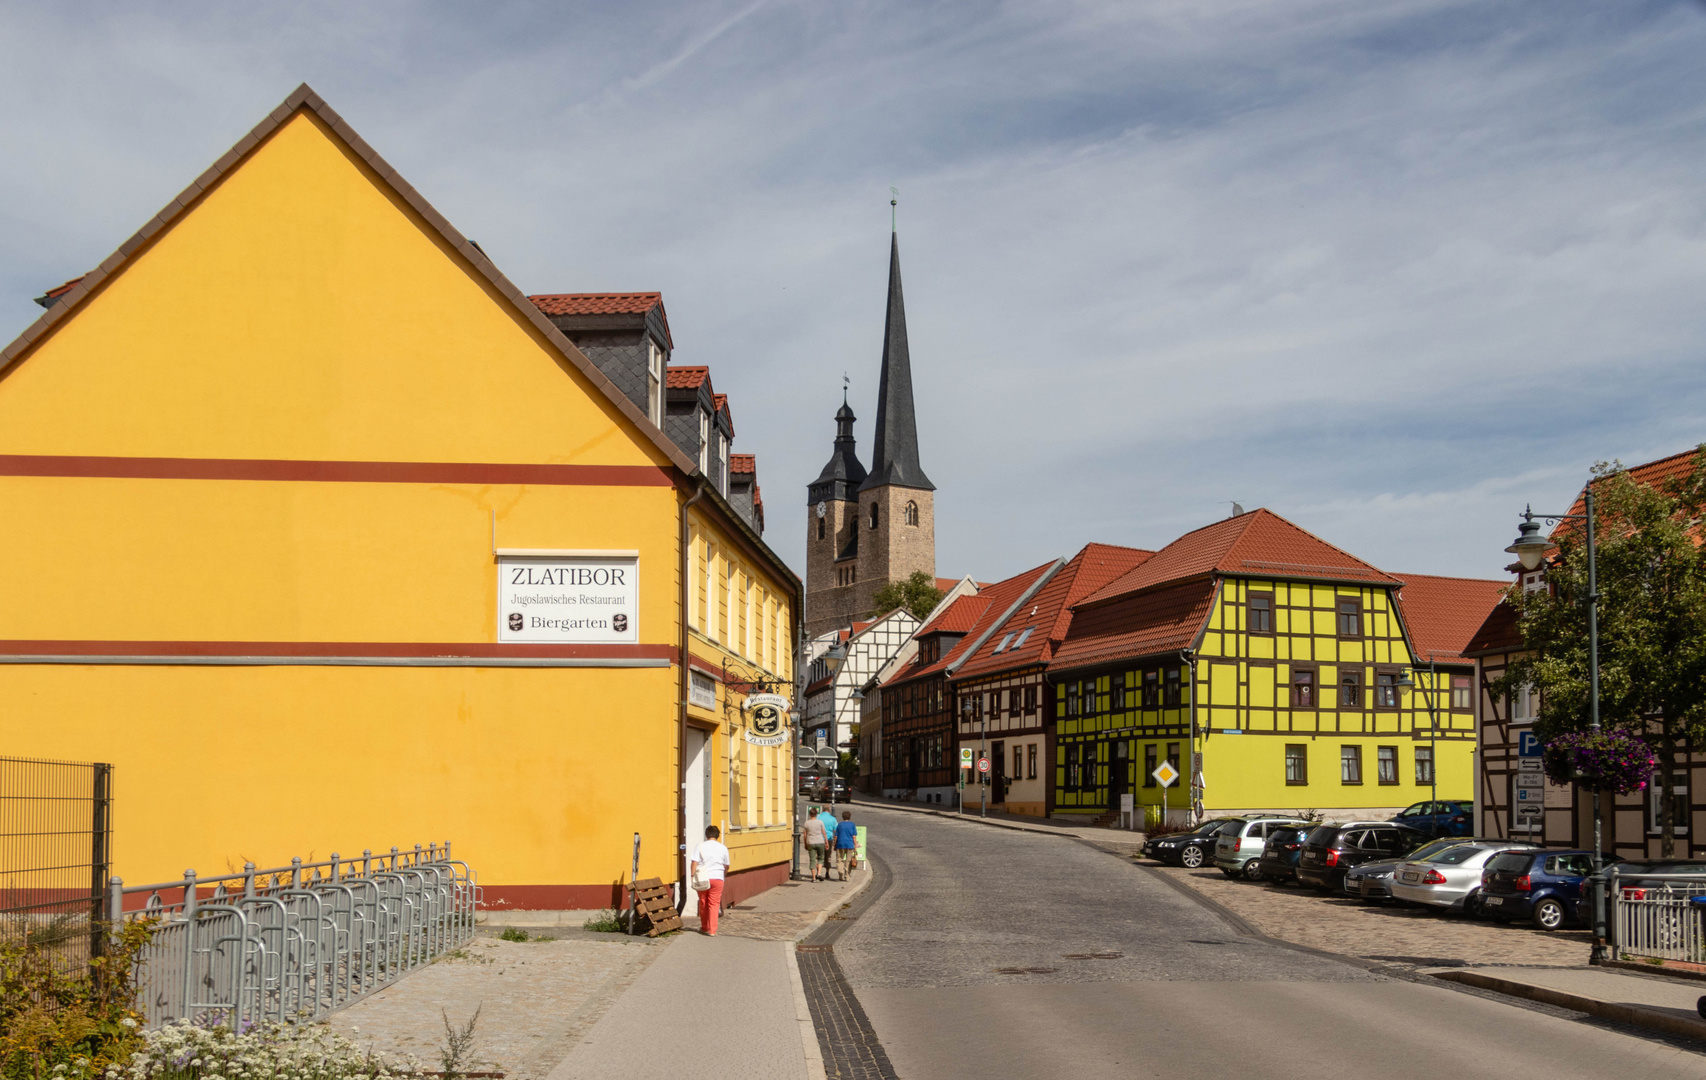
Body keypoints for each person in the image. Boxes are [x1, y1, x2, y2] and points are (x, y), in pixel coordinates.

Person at [690, 825, 731, 935]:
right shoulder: (723, 847)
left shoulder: (700, 846)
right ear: (717, 835)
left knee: (703, 902)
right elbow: (726, 865)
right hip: (718, 878)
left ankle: (704, 927)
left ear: (706, 835)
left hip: (703, 877)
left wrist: (692, 875)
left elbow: (694, 862)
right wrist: (723, 874)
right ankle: (712, 930)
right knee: (714, 904)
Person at [802, 806, 828, 882]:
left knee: (812, 860)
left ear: (810, 814)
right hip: (820, 841)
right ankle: (819, 873)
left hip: (811, 842)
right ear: (816, 814)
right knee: (820, 858)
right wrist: (826, 842)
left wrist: (805, 844)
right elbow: (824, 833)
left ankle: (813, 878)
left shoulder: (807, 823)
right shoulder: (820, 822)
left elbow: (804, 835)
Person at [834, 811, 858, 881]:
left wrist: (835, 845)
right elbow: (854, 837)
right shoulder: (852, 825)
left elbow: (836, 836)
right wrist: (855, 846)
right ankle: (847, 875)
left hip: (840, 844)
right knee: (848, 861)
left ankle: (840, 871)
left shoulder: (840, 825)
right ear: (850, 817)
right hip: (850, 845)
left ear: (843, 817)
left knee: (839, 860)